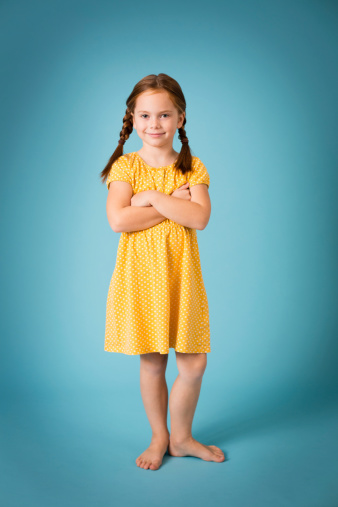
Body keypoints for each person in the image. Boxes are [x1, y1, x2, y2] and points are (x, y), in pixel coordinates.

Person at [100, 73, 225, 470]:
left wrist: (152, 198)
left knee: (194, 363)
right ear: (132, 119)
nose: (155, 124)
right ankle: (160, 437)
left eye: (165, 115)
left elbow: (199, 217)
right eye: (146, 115)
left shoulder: (192, 166)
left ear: (180, 119)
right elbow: (119, 220)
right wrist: (169, 202)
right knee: (153, 361)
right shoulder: (125, 166)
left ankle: (182, 438)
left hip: (181, 278)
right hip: (141, 277)